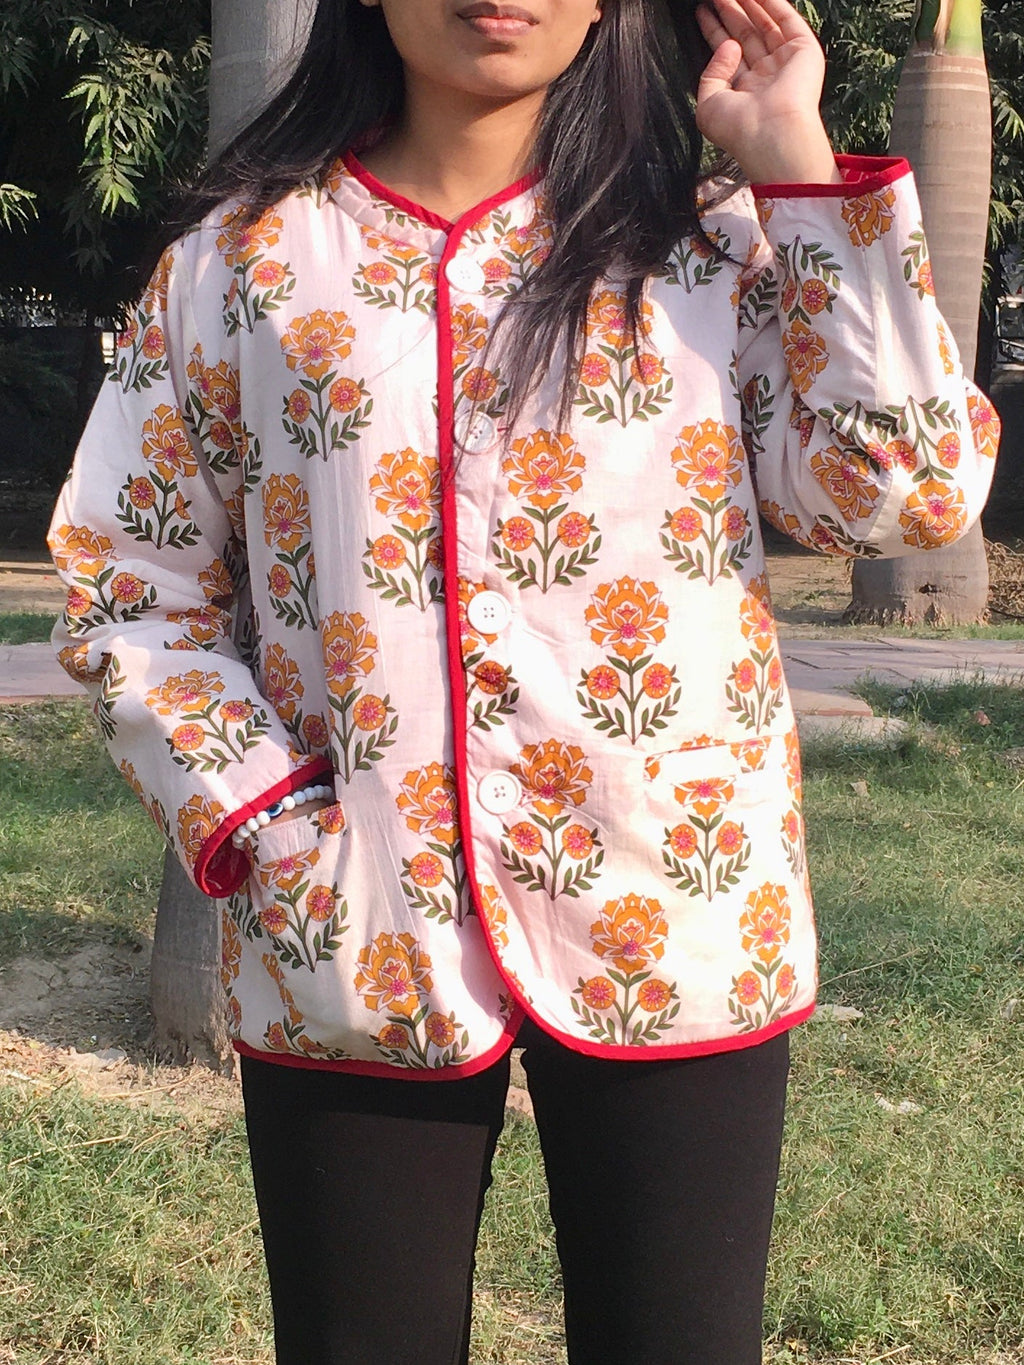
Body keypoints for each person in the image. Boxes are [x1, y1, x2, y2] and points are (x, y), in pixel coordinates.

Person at [47, 0, 998, 1359]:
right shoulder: (243, 265)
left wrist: (794, 156)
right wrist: (263, 819)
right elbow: (125, 578)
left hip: (681, 903)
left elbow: (909, 494)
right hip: (355, 916)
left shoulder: (715, 253)